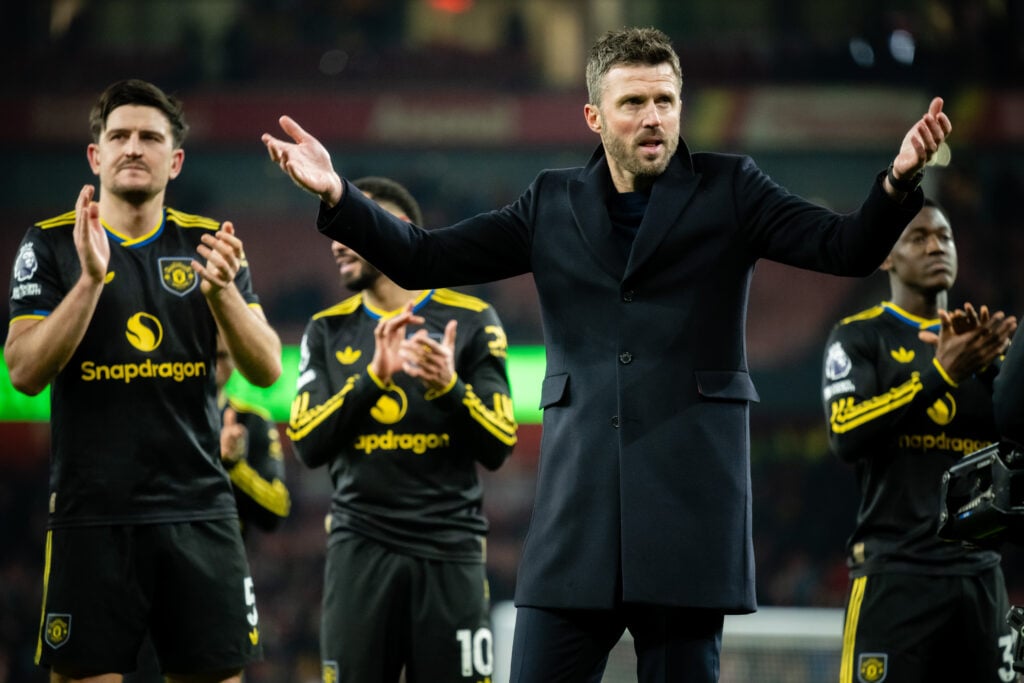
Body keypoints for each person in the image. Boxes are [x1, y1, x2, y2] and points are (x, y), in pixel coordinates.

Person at [263, 26, 951, 683]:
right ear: (594, 116)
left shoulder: (733, 188)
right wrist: (338, 195)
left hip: (689, 514)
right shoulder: (549, 201)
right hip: (576, 517)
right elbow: (424, 258)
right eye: (634, 102)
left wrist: (896, 182)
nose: (653, 117)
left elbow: (844, 247)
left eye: (666, 100)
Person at [5, 79, 282, 683]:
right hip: (91, 516)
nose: (134, 147)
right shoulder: (50, 243)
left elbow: (267, 368)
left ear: (175, 161)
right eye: (120, 136)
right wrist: (89, 281)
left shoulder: (210, 243)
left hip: (199, 511)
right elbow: (23, 372)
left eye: (151, 137)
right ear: (95, 155)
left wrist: (223, 295)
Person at [285, 175, 517, 682]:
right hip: (359, 551)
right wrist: (373, 379)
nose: (336, 245)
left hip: (450, 551)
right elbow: (306, 444)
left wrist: (449, 387)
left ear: (395, 228)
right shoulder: (327, 328)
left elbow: (500, 445)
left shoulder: (472, 321)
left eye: (349, 229)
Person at [821, 198, 1017, 683]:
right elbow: (845, 433)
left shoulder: (984, 349)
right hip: (895, 575)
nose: (936, 247)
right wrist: (941, 375)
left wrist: (998, 373)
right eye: (919, 237)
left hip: (980, 576)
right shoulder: (859, 338)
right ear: (887, 256)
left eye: (945, 237)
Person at [215, 335, 292, 537]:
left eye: (222, 355)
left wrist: (234, 466)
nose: (213, 364)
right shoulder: (162, 416)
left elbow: (277, 509)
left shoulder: (251, 420)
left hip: (225, 549)